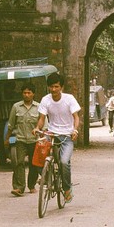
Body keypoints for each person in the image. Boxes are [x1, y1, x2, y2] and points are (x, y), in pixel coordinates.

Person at [34, 73, 80, 203]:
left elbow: (76, 117)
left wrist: (75, 130)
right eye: (51, 87)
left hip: (67, 136)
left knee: (64, 162)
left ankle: (66, 188)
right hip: (52, 134)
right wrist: (38, 128)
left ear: (61, 87)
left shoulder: (69, 99)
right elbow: (42, 118)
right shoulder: (45, 100)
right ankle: (47, 177)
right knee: (38, 156)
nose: (53, 89)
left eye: (56, 86)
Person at [5, 83, 42, 197]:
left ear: (33, 94)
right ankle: (18, 188)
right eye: (24, 93)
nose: (26, 95)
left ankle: (31, 185)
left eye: (29, 93)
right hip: (20, 140)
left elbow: (43, 125)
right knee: (18, 162)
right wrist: (7, 139)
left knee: (33, 164)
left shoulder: (39, 107)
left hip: (34, 140)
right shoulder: (16, 107)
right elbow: (11, 124)